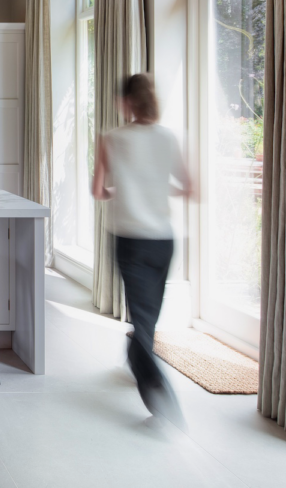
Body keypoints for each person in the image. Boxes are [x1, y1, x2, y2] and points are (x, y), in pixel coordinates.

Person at [92, 73, 194, 422]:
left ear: (126, 103)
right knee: (147, 315)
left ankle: (157, 391)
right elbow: (189, 187)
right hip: (164, 240)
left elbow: (98, 191)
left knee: (142, 316)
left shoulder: (110, 138)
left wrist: (120, 191)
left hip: (130, 239)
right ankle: (137, 357)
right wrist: (157, 187)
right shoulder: (168, 138)